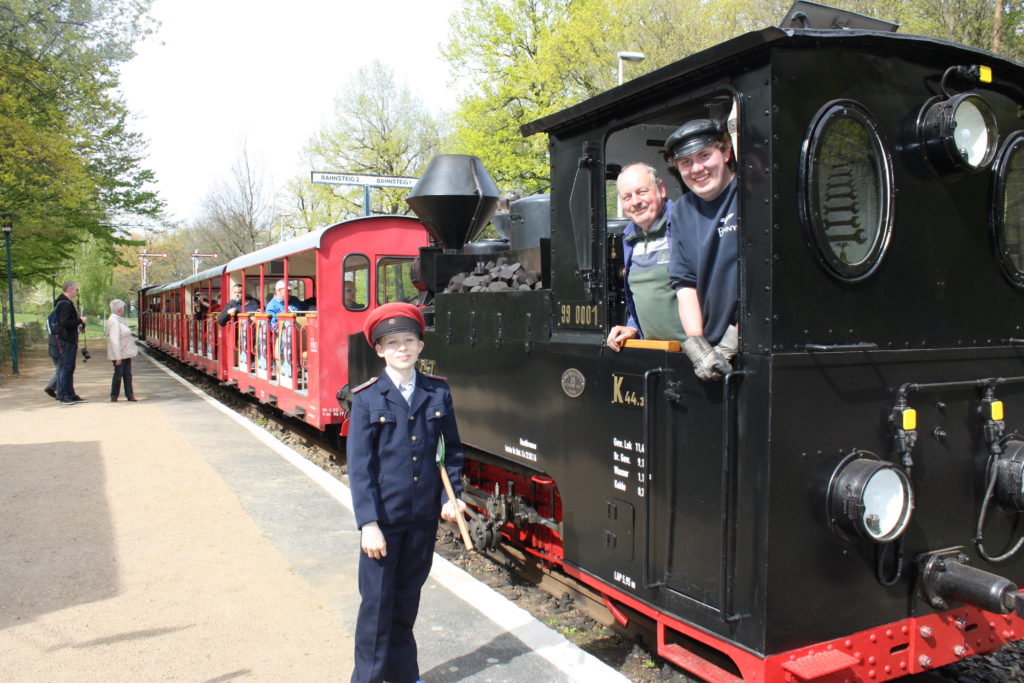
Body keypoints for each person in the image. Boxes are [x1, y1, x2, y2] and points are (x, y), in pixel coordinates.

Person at [347, 302, 467, 683]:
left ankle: (403, 675)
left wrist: (451, 497)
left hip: (421, 520)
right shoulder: (366, 398)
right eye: (393, 342)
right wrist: (368, 524)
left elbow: (451, 451)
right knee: (377, 607)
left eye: (409, 341)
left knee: (405, 603)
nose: (402, 348)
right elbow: (361, 468)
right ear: (379, 350)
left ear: (420, 346)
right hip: (383, 522)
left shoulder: (437, 392)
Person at [666, 118, 740, 381]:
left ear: (726, 152)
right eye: (686, 162)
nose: (697, 168)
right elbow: (685, 284)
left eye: (704, 155)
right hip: (712, 351)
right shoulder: (682, 211)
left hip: (756, 343)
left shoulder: (752, 194)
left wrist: (736, 339)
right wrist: (699, 347)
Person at [606, 163, 686, 351]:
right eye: (627, 197)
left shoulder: (685, 223)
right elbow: (641, 295)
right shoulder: (629, 238)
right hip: (656, 352)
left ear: (661, 189)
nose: (635, 202)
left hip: (696, 353)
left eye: (641, 192)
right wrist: (632, 327)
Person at [54, 281, 87, 405]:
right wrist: (80, 321)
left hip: (68, 338)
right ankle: (64, 395)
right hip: (66, 339)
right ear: (70, 289)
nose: (77, 292)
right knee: (66, 368)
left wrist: (78, 325)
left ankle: (70, 394)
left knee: (68, 367)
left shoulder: (64, 302)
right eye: (76, 289)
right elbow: (65, 322)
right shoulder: (65, 304)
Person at [105, 299, 138, 402]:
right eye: (123, 307)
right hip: (120, 353)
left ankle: (129, 395)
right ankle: (114, 395)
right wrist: (118, 357)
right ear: (119, 309)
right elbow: (114, 340)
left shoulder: (119, 320)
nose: (124, 309)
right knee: (118, 374)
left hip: (125, 352)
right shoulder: (114, 321)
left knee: (127, 374)